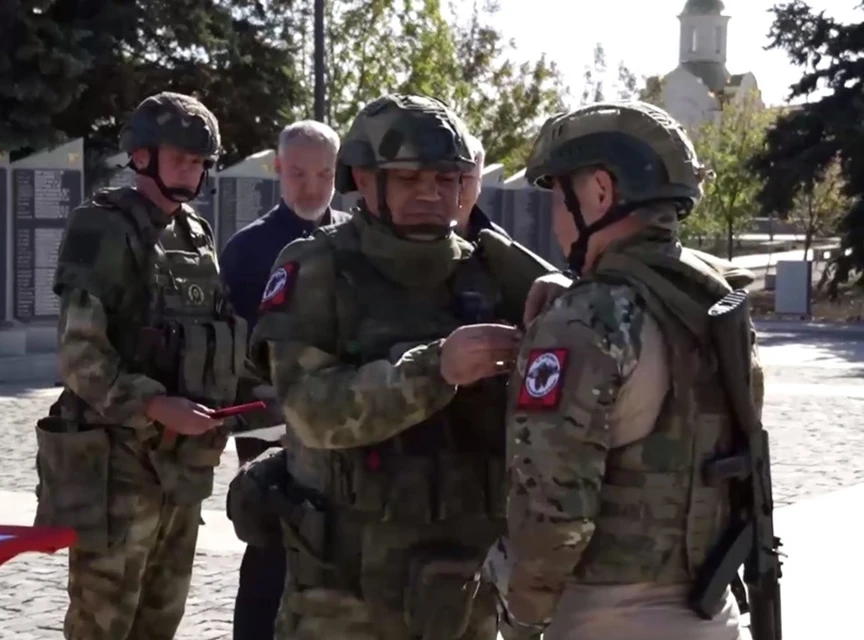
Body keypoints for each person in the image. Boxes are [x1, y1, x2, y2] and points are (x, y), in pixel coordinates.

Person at [244, 93, 559, 640]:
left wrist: (566, 303)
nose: (431, 194)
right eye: (410, 179)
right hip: (345, 591)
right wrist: (436, 369)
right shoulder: (316, 267)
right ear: (365, 180)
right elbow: (309, 410)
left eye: (447, 179)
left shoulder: (493, 270)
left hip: (465, 580)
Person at [481, 101, 764, 640]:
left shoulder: (585, 319)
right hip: (714, 613)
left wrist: (520, 619)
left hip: (603, 620)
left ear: (601, 193)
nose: (555, 221)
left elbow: (552, 513)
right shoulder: (713, 299)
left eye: (558, 198)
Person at [33, 92, 262, 640]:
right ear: (142, 157)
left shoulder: (195, 234)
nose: (194, 169)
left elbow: (222, 335)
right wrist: (158, 405)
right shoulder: (101, 227)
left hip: (181, 471)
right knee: (103, 624)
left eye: (201, 160)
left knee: (160, 620)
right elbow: (81, 356)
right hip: (117, 469)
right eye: (181, 156)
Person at [220, 119, 349, 640]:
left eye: (324, 174)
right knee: (272, 550)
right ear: (278, 170)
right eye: (298, 174)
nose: (312, 187)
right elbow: (231, 351)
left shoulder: (353, 240)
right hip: (271, 427)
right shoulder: (248, 251)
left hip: (342, 424)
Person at [456, 133, 509, 241]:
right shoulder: (417, 235)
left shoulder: (497, 243)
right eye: (447, 179)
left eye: (467, 178)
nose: (458, 187)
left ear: (479, 182)